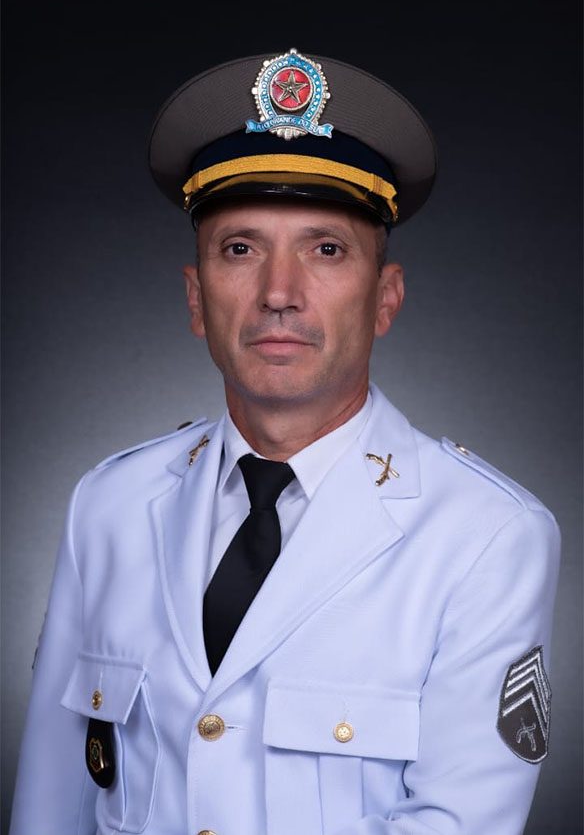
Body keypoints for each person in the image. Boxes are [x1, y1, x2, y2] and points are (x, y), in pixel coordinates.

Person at [9, 49, 560, 835]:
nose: (278, 293)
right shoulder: (109, 507)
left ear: (386, 298)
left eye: (326, 249)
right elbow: (50, 805)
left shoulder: (486, 536)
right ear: (196, 298)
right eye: (240, 248)